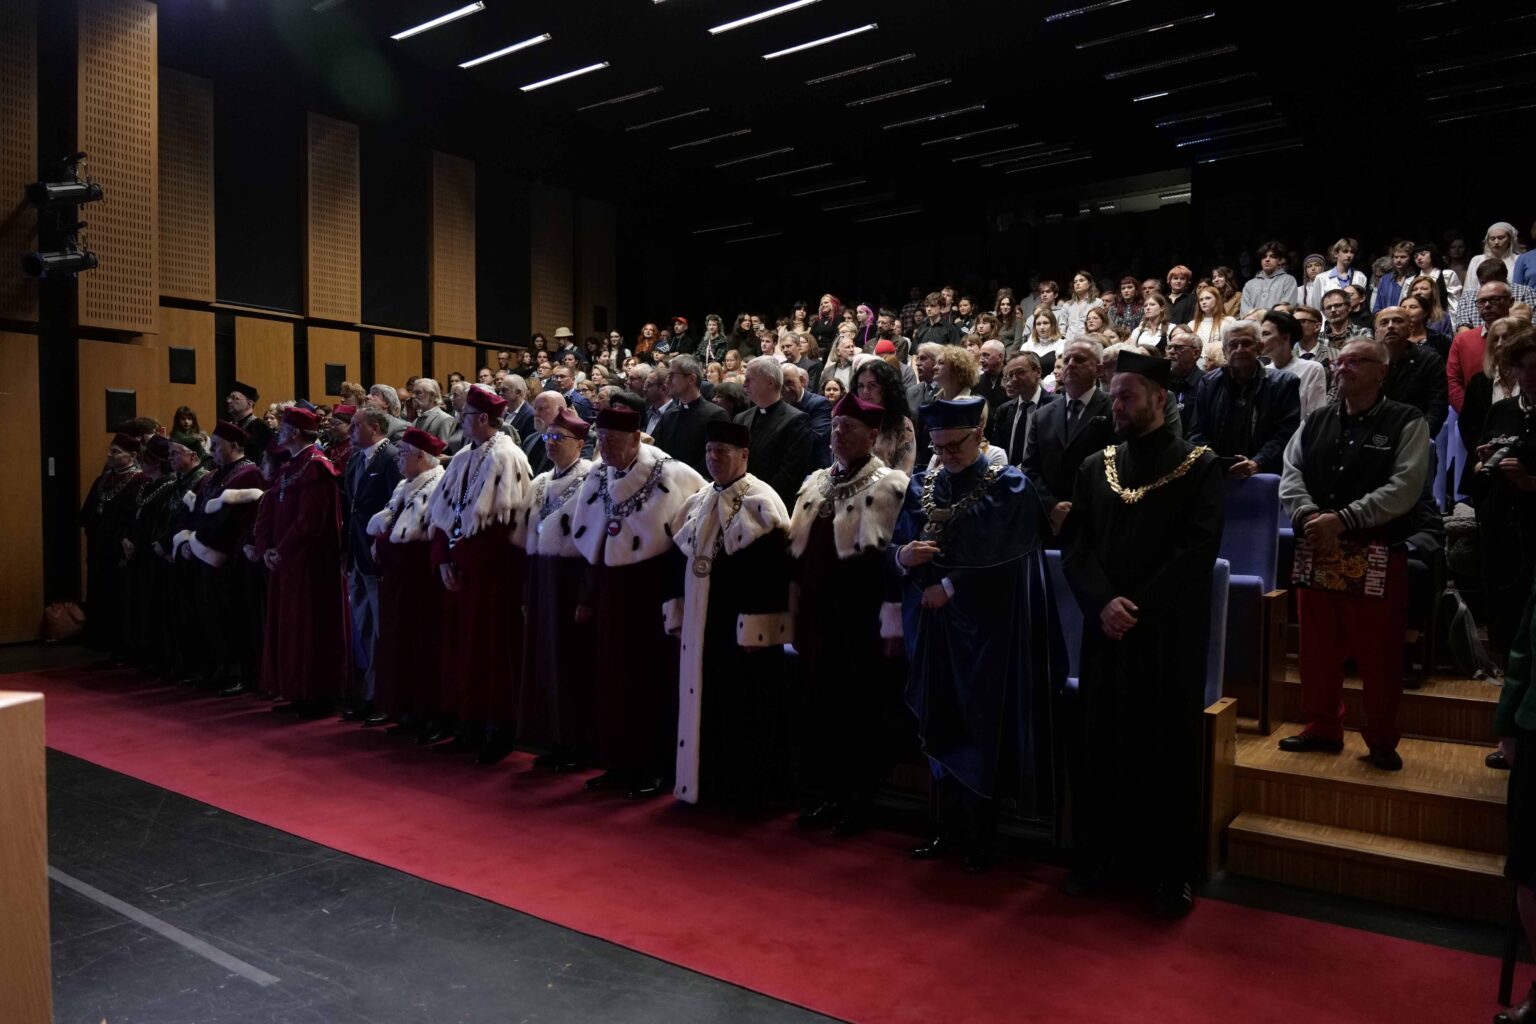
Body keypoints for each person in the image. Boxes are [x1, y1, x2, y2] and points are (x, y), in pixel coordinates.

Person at [1060, 348, 1224, 918]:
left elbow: (1198, 550)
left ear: (1160, 397)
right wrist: (1103, 604)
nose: (1118, 404)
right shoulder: (1094, 466)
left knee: (1166, 747)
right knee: (1101, 740)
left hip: (1166, 635)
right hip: (1106, 633)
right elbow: (1076, 550)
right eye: (1114, 394)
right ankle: (1098, 858)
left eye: (1128, 394)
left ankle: (1168, 871)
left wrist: (1138, 606)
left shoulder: (1200, 466)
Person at [892, 396, 1064, 873]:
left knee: (979, 726)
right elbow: (897, 544)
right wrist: (907, 562)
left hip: (989, 634)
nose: (946, 456)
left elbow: (1011, 559)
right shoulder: (922, 485)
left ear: (979, 436)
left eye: (955, 447)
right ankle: (945, 826)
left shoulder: (1008, 486)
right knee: (937, 715)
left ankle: (981, 836)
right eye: (939, 447)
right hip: (933, 627)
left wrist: (949, 586)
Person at [1278, 338, 1431, 772]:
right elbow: (1291, 476)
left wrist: (1344, 519)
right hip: (1317, 546)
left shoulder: (1407, 421)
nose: (1342, 368)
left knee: (1378, 655)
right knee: (1315, 649)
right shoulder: (1316, 420)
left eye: (1354, 361)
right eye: (1338, 361)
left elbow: (1405, 487)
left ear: (1381, 371)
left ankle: (1382, 738)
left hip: (1376, 550)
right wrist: (1309, 514)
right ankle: (1323, 727)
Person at [789, 393, 910, 835]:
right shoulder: (815, 482)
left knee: (857, 710)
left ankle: (856, 802)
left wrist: (891, 619)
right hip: (817, 616)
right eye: (836, 428)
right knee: (817, 705)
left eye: (849, 429)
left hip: (859, 619)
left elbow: (895, 561)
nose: (838, 434)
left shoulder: (891, 485)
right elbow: (798, 556)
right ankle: (824, 795)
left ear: (873, 436)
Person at [572, 406, 706, 797]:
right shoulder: (597, 474)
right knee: (611, 680)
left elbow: (681, 542)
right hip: (611, 594)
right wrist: (588, 596)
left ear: (635, 439)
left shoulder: (672, 474)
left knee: (650, 682)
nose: (605, 448)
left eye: (613, 440)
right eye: (600, 440)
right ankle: (618, 762)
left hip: (652, 596)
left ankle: (656, 768)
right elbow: (591, 540)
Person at [665, 419, 792, 809]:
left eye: (722, 451)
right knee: (707, 705)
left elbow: (773, 575)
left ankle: (744, 792)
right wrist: (677, 612)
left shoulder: (761, 500)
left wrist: (758, 630)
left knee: (743, 708)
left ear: (744, 455)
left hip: (741, 631)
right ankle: (707, 784)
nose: (714, 458)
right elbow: (677, 563)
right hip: (702, 626)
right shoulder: (699, 500)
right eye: (709, 451)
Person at [427, 385, 533, 762]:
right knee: (462, 651)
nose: (460, 421)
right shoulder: (459, 460)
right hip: (460, 574)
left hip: (490, 576)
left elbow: (505, 524)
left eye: (466, 415)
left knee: (491, 653)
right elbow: (440, 515)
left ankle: (497, 730)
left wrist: (462, 562)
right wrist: (443, 561)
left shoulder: (507, 457)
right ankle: (467, 723)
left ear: (484, 418)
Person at [248, 407, 349, 715]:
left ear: (294, 432)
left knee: (309, 628)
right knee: (290, 627)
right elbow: (267, 508)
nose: (278, 432)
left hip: (307, 563)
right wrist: (265, 546)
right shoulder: (290, 466)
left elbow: (309, 521)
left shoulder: (316, 467)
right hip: (285, 561)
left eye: (283, 428)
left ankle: (315, 694)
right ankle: (295, 690)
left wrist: (282, 550)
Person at [518, 408, 597, 771]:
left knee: (571, 662)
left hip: (570, 580)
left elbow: (591, 543)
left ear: (580, 444)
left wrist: (586, 595)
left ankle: (576, 743)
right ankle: (550, 737)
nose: (550, 444)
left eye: (558, 439)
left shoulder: (589, 482)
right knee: (544, 659)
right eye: (548, 438)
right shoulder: (541, 482)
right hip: (542, 579)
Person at [367, 428, 447, 736]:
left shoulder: (437, 484)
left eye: (403, 453)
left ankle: (430, 714)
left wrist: (385, 545)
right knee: (400, 645)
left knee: (423, 647)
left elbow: (425, 534)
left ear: (421, 457)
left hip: (421, 583)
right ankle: (407, 709)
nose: (398, 458)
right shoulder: (405, 485)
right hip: (398, 579)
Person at [1469, 329, 1536, 662]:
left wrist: (1531, 482)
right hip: (1498, 518)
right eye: (1524, 367)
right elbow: (1476, 473)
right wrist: (1484, 463)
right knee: (1498, 593)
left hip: (1533, 518)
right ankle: (1500, 658)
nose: (1531, 374)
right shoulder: (1502, 411)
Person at [339, 407, 402, 723]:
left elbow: (396, 505)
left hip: (377, 558)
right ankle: (369, 692)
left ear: (375, 426)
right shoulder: (355, 459)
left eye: (356, 424)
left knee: (381, 629)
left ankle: (385, 696)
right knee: (362, 627)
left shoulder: (390, 458)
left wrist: (382, 546)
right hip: (356, 555)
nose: (349, 429)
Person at [1023, 338, 1116, 538]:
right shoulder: (1043, 415)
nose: (1071, 364)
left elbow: (1119, 465)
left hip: (1098, 519)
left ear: (1099, 370)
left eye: (1080, 360)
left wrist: (1081, 509)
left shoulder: (1114, 409)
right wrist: (1052, 505)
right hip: (1049, 521)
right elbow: (1031, 468)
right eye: (1066, 360)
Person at [1187, 320, 1302, 477]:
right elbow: (1197, 431)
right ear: (1224, 351)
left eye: (1246, 343)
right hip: (1216, 473)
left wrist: (1258, 462)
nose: (1239, 350)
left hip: (1265, 474)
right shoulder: (1209, 382)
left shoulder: (1285, 383)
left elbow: (1286, 433)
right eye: (1233, 345)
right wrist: (1213, 462)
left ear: (1260, 348)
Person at [80, 432, 146, 657]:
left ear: (133, 456)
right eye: (110, 450)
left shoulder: (140, 480)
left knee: (118, 595)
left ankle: (121, 646)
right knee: (99, 593)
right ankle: (100, 641)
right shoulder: (103, 479)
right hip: (99, 547)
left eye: (116, 452)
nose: (110, 455)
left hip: (119, 550)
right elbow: (89, 513)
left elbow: (137, 517)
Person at [735, 356, 815, 508]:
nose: (744, 384)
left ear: (770, 382)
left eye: (749, 379)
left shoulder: (796, 420)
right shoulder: (741, 418)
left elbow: (790, 473)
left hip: (772, 505)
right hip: (739, 501)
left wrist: (757, 498)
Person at [651, 354, 729, 476]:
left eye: (672, 375)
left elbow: (714, 460)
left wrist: (680, 477)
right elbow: (656, 452)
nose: (667, 380)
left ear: (691, 379)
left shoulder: (716, 415)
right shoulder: (668, 416)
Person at [1377, 305, 1448, 437]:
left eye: (1398, 321)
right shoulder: (1368, 361)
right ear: (1376, 332)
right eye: (1384, 323)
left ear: (1410, 329)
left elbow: (1437, 408)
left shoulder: (1430, 360)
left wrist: (1419, 437)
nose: (1390, 326)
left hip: (1416, 434)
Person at [1261, 310, 1328, 417]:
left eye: (1266, 334)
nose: (1260, 340)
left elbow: (1315, 416)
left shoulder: (1312, 369)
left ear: (1286, 337)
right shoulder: (1263, 372)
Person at [991, 352, 1053, 466]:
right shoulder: (1003, 411)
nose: (1014, 379)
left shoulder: (1055, 406)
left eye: (1020, 372)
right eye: (1010, 375)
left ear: (1038, 372)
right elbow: (998, 449)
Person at [781, 362, 833, 469]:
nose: (786, 389)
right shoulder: (781, 406)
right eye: (782, 385)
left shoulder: (820, 404)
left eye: (789, 383)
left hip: (815, 468)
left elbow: (816, 438)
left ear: (802, 381)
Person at [1241, 241, 1299, 316]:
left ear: (1279, 260)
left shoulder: (1288, 280)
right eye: (1264, 256)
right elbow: (1245, 313)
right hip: (1252, 325)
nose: (1267, 259)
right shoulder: (1249, 284)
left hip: (1277, 324)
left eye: (1272, 256)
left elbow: (1285, 309)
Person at [409, 378, 461, 449]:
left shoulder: (445, 419)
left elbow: (443, 450)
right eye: (413, 393)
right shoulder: (415, 421)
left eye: (418, 393)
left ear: (432, 395)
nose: (413, 396)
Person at [225, 381, 272, 459]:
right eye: (229, 398)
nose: (228, 401)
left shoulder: (259, 428)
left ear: (249, 404)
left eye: (234, 398)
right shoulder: (228, 427)